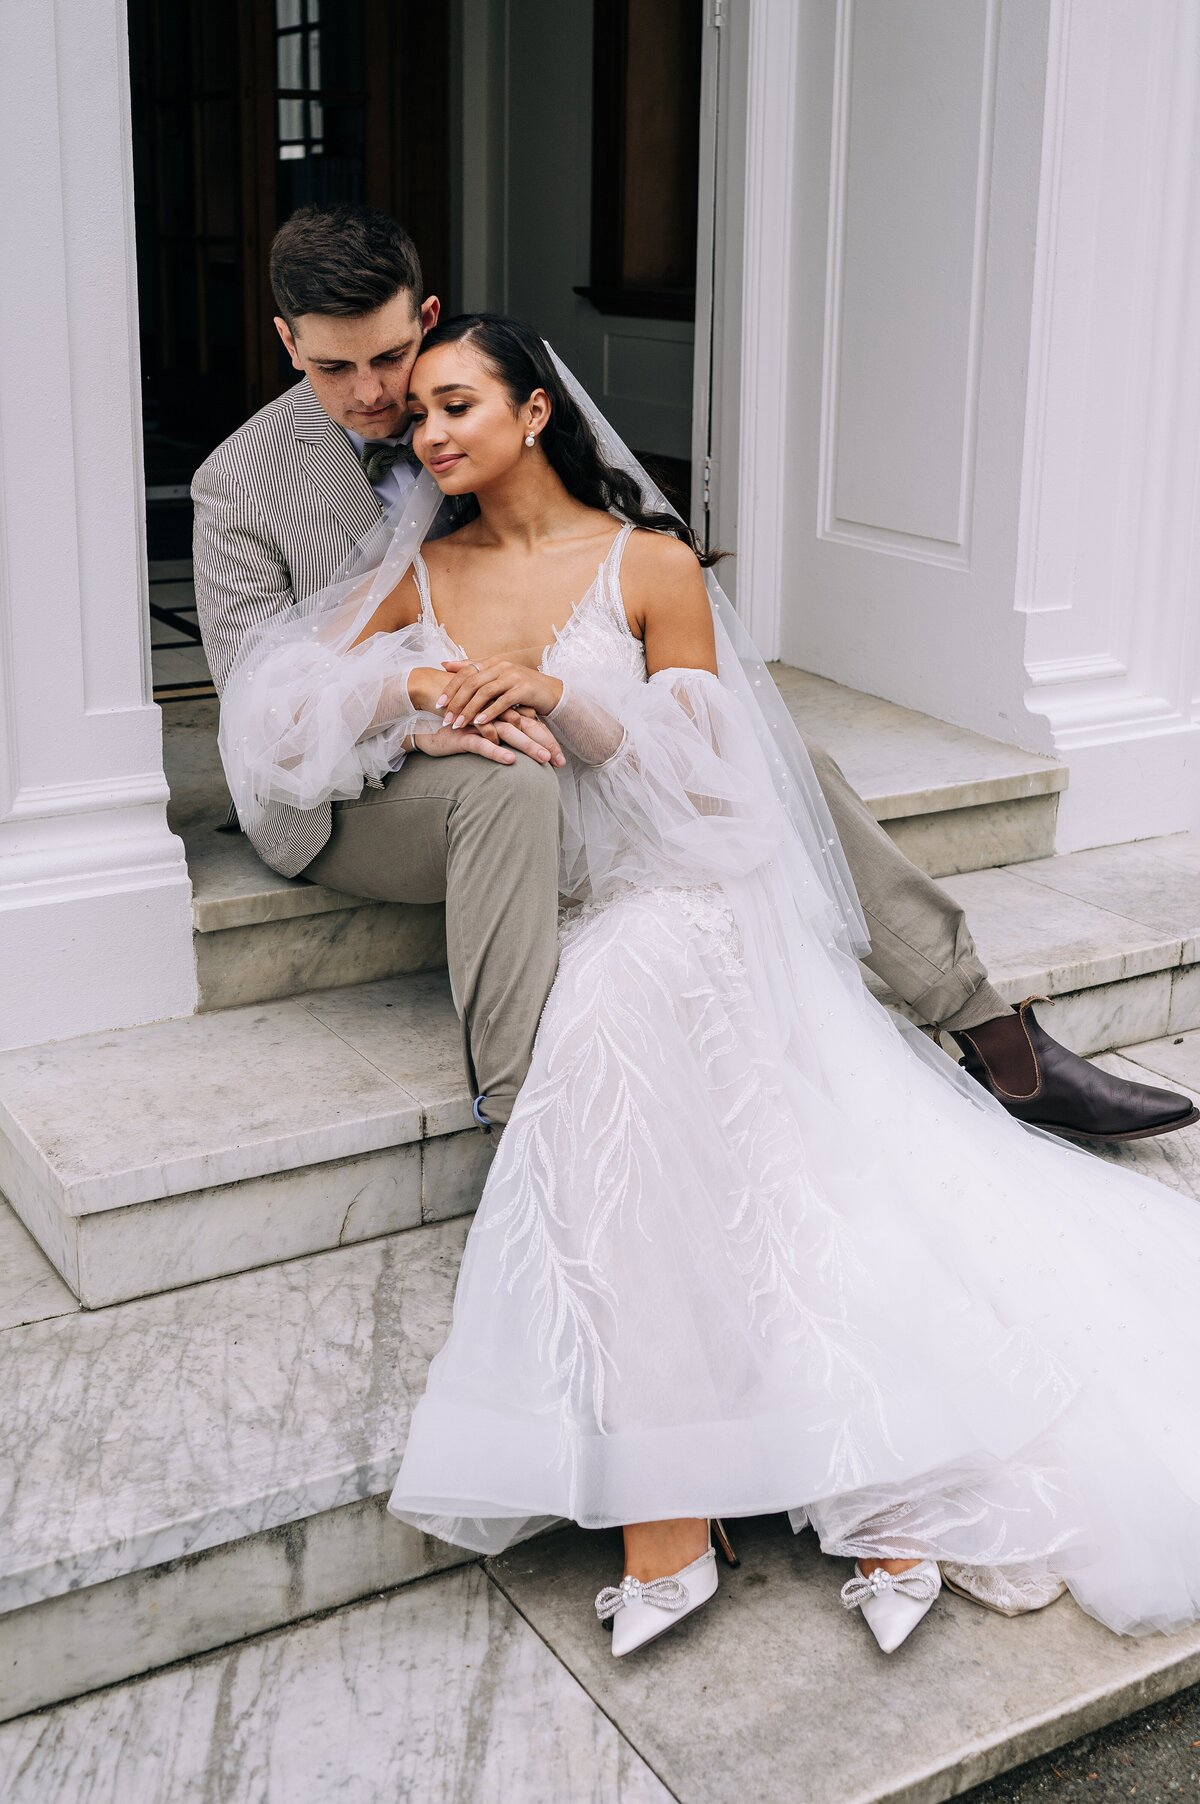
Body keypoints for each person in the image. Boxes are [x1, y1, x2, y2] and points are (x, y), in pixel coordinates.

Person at [222, 311, 1200, 1661]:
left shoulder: (650, 561)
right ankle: (700, 1502)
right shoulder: (425, 573)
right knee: (607, 1082)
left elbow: (717, 781)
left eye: (459, 405)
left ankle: (823, 1486)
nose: (432, 431)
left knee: (617, 1060)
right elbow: (273, 711)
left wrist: (560, 701)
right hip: (566, 910)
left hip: (684, 895)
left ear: (535, 414)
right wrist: (415, 691)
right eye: (421, 414)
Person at [193, 203, 1194, 1143]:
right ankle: (517, 1118)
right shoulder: (236, 486)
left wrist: (567, 683)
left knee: (776, 756)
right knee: (508, 780)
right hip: (347, 787)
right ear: (287, 343)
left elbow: (570, 567)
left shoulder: (471, 404)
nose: (373, 395)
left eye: (391, 357)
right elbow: (257, 721)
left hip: (530, 715)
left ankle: (990, 1031)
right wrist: (419, 714)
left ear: (431, 320)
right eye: (333, 369)